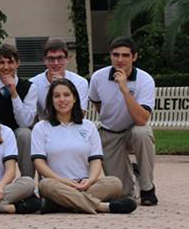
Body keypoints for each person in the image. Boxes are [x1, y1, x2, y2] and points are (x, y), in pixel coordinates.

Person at [33, 79, 137, 214]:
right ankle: (103, 207)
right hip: (56, 183)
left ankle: (62, 203)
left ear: (75, 98)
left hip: (85, 185)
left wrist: (90, 180)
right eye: (57, 96)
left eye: (66, 95)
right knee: (45, 185)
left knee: (115, 183)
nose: (62, 99)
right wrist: (62, 181)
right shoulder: (41, 127)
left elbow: (95, 160)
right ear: (51, 100)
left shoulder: (88, 126)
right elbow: (39, 163)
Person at [88, 37, 157, 205]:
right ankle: (132, 175)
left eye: (125, 55)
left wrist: (125, 90)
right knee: (122, 193)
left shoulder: (145, 80)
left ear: (134, 57)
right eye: (115, 55)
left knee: (142, 133)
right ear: (110, 56)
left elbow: (142, 119)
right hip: (110, 132)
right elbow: (98, 105)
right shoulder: (98, 77)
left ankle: (147, 187)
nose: (120, 60)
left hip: (134, 129)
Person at [0, 44, 37, 177]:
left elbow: (25, 122)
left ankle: (28, 183)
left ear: (17, 64)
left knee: (25, 134)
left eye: (10, 62)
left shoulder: (29, 87)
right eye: (1, 62)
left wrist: (14, 93)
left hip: (16, 132)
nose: (5, 67)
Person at [29, 39, 88, 120]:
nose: (56, 63)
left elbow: (80, 114)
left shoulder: (80, 82)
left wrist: (62, 85)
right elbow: (31, 116)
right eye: (51, 59)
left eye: (60, 58)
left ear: (67, 59)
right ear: (44, 60)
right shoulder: (33, 83)